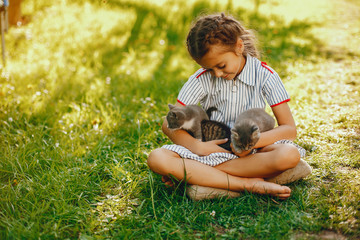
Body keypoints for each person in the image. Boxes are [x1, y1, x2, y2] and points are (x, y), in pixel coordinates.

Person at [147, 13, 310, 200]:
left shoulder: (265, 75)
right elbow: (169, 123)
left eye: (221, 65)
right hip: (210, 151)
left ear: (239, 47)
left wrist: (251, 142)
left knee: (289, 155)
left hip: (251, 154)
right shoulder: (201, 79)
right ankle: (248, 184)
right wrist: (197, 147)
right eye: (210, 69)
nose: (216, 74)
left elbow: (289, 129)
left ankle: (202, 177)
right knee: (157, 158)